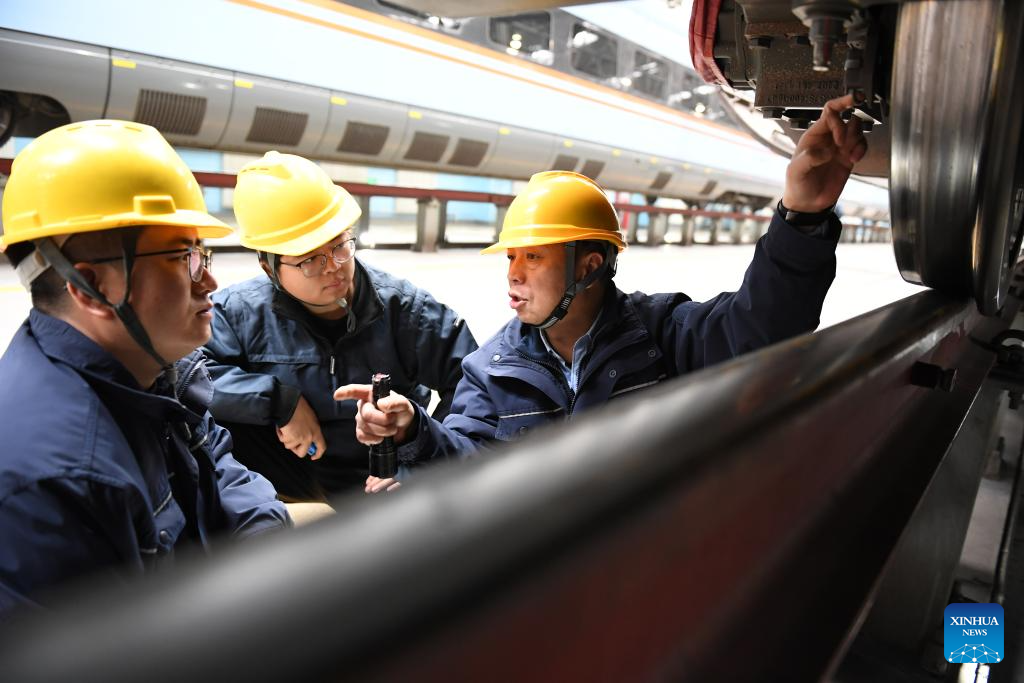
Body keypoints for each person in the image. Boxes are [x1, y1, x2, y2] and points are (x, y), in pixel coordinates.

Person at [336, 93, 868, 490]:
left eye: (534, 256)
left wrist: (802, 216)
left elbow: (764, 327)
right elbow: (467, 464)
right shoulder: (487, 370)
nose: (513, 274)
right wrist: (415, 432)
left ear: (589, 266)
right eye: (511, 256)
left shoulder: (665, 334)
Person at [0, 120, 312, 615]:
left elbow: (220, 470)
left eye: (202, 254)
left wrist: (262, 544)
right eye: (184, 258)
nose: (209, 282)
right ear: (91, 288)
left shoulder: (156, 372)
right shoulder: (53, 481)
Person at [202, 152, 478, 501]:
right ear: (268, 267)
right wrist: (278, 402)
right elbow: (190, 373)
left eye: (339, 246)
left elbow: (472, 382)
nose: (333, 267)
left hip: (381, 475)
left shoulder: (406, 310)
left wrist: (418, 454)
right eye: (310, 259)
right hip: (284, 475)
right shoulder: (239, 313)